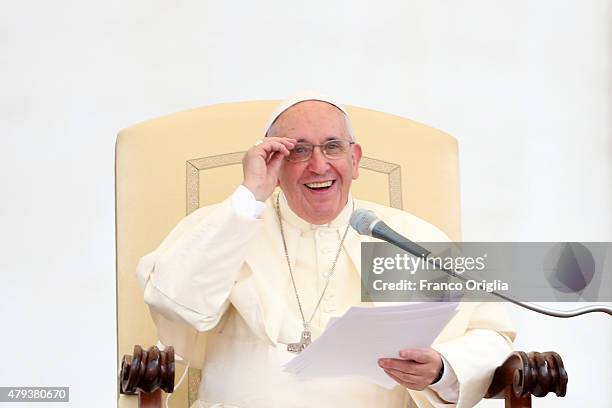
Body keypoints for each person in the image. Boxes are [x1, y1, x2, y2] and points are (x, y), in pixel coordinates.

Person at [136, 93, 515, 408]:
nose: (318, 166)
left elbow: (490, 331)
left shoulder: (407, 236)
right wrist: (250, 197)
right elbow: (176, 302)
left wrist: (443, 369)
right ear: (275, 163)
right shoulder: (228, 224)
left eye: (333, 147)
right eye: (298, 151)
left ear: (355, 160)